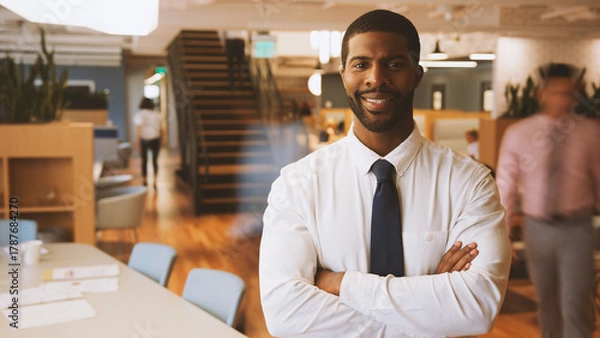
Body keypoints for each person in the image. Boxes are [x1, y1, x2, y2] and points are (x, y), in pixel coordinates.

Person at [259, 9, 511, 337]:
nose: (376, 78)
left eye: (393, 64)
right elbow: (285, 314)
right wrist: (430, 302)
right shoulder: (297, 184)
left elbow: (476, 308)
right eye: (361, 64)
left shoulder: (469, 182)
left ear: (417, 75)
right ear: (344, 74)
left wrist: (340, 283)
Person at [496, 63, 600, 338]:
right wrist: (503, 232)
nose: (563, 99)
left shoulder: (590, 132)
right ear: (542, 93)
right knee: (547, 303)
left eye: (569, 93)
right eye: (557, 92)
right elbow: (505, 185)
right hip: (537, 228)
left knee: (576, 304)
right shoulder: (518, 133)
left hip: (577, 227)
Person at [134, 97, 162, 189]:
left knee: (144, 161)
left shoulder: (139, 115)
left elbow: (138, 130)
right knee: (155, 161)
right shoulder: (157, 115)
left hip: (144, 139)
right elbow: (161, 129)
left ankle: (144, 180)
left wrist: (137, 143)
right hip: (155, 139)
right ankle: (155, 180)